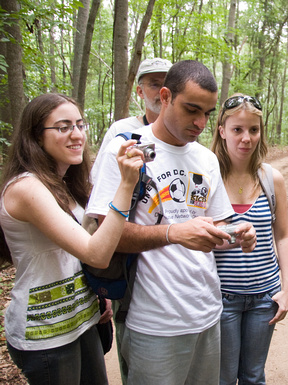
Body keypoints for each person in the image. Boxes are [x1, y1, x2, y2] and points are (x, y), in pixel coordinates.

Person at [86, 60, 257, 385]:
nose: (200, 122)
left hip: (207, 313)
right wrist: (172, 233)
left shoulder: (206, 158)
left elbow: (217, 228)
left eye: (207, 113)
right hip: (153, 321)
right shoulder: (126, 149)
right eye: (192, 109)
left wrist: (238, 235)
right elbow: (103, 238)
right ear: (165, 97)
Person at [0, 93, 143, 384]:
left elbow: (75, 254)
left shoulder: (65, 183)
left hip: (82, 319)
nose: (76, 134)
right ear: (36, 137)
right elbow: (96, 253)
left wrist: (96, 292)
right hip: (47, 331)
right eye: (63, 127)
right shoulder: (26, 188)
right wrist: (126, 184)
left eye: (80, 124)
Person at [92, 56, 172, 385]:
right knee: (137, 351)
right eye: (153, 83)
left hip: (178, 269)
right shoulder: (121, 133)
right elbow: (97, 201)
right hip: (132, 266)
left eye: (166, 83)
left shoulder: (190, 134)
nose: (161, 91)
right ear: (140, 90)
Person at [210, 93, 288, 385]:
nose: (246, 138)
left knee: (253, 377)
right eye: (237, 130)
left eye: (253, 130)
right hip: (222, 298)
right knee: (222, 378)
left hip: (264, 297)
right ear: (222, 131)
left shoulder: (273, 179)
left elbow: (282, 236)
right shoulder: (209, 179)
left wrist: (287, 289)